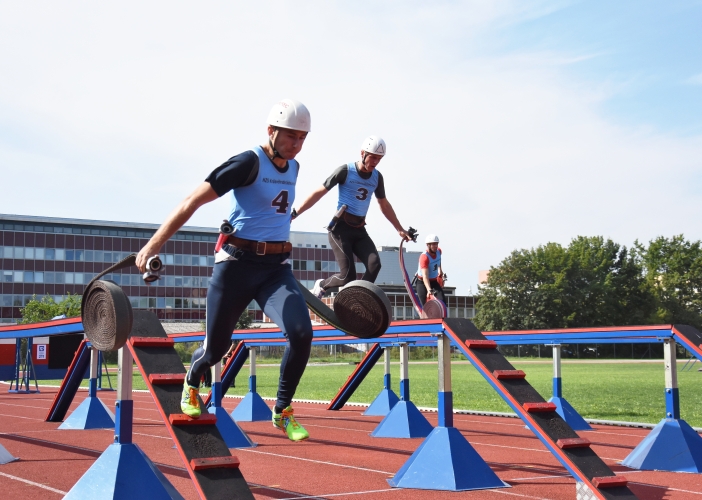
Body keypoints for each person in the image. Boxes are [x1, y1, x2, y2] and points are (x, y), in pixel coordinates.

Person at [136, 99, 313, 441]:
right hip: (235, 267)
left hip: (275, 270)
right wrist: (154, 244)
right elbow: (192, 201)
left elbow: (274, 211)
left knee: (302, 334)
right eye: (291, 136)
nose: (297, 145)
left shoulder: (294, 167)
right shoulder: (247, 162)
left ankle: (282, 411)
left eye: (303, 138)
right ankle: (192, 383)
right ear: (271, 131)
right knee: (216, 349)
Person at [294, 136, 411, 298]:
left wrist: (400, 229)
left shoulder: (377, 177)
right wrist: (296, 212)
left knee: (374, 265)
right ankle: (321, 285)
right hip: (340, 230)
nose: (375, 162)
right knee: (347, 276)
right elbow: (319, 192)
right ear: (362, 153)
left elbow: (384, 205)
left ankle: (357, 299)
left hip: (359, 231)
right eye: (373, 157)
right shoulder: (346, 171)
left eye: (379, 159)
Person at [415, 234, 446, 305]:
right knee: (425, 305)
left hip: (434, 281)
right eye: (433, 244)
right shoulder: (424, 257)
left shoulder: (439, 251)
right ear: (428, 245)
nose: (435, 246)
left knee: (442, 302)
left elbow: (439, 259)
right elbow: (425, 277)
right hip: (422, 282)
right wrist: (429, 290)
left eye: (436, 244)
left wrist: (440, 271)